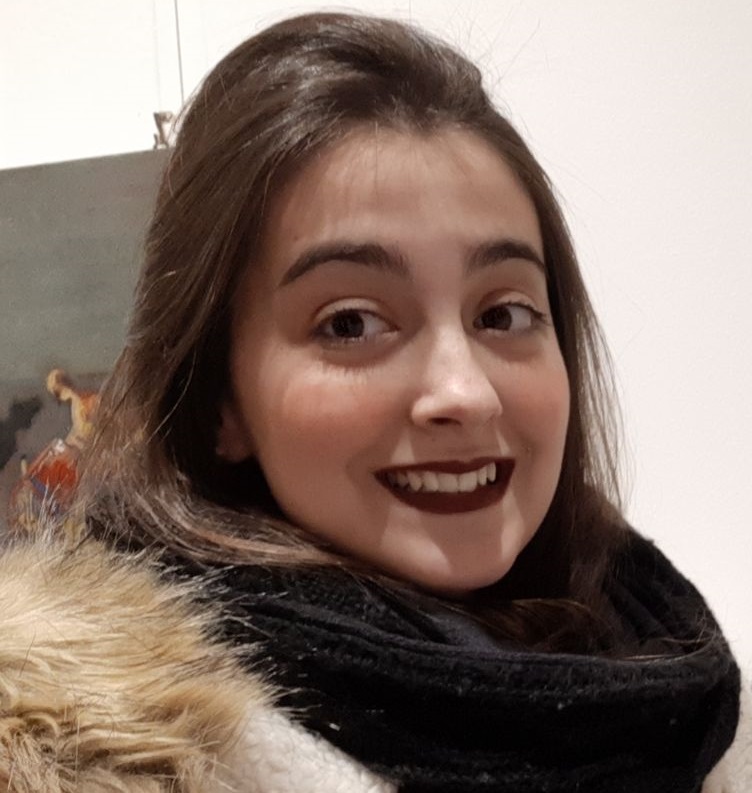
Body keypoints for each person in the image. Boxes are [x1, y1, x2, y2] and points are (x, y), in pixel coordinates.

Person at [0, 11, 746, 792]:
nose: (465, 392)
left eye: (503, 314)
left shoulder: (684, 696)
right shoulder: (104, 764)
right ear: (220, 401)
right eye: (351, 323)